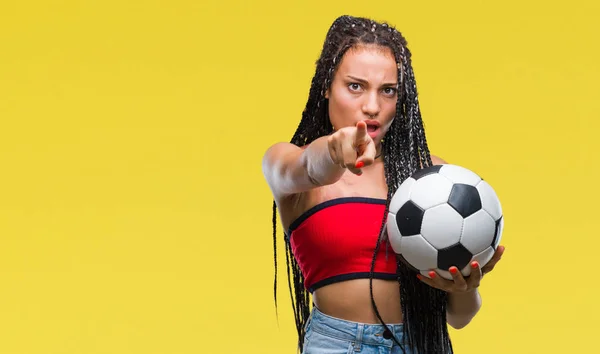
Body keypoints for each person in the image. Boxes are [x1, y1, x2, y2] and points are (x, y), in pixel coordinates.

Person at [261, 15, 505, 354]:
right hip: (335, 345)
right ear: (327, 86)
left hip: (421, 344)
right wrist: (335, 149)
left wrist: (464, 288)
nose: (372, 106)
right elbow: (308, 167)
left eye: (387, 90)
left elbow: (460, 318)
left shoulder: (433, 178)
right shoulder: (288, 165)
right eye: (355, 86)